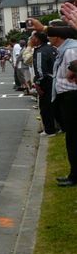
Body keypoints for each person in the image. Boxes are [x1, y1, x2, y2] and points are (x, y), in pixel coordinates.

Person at [48, 22, 77, 186]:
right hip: (66, 96)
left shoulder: (71, 50)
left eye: (50, 33)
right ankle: (73, 173)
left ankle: (75, 176)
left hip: (72, 96)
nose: (48, 37)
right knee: (71, 137)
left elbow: (73, 72)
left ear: (58, 36)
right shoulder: (64, 49)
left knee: (73, 138)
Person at [32, 31, 58, 136]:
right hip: (55, 79)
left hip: (46, 81)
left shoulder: (39, 52)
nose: (31, 40)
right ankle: (58, 127)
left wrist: (38, 83)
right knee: (54, 105)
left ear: (37, 39)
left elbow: (40, 70)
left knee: (45, 107)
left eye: (32, 38)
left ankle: (50, 130)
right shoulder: (52, 48)